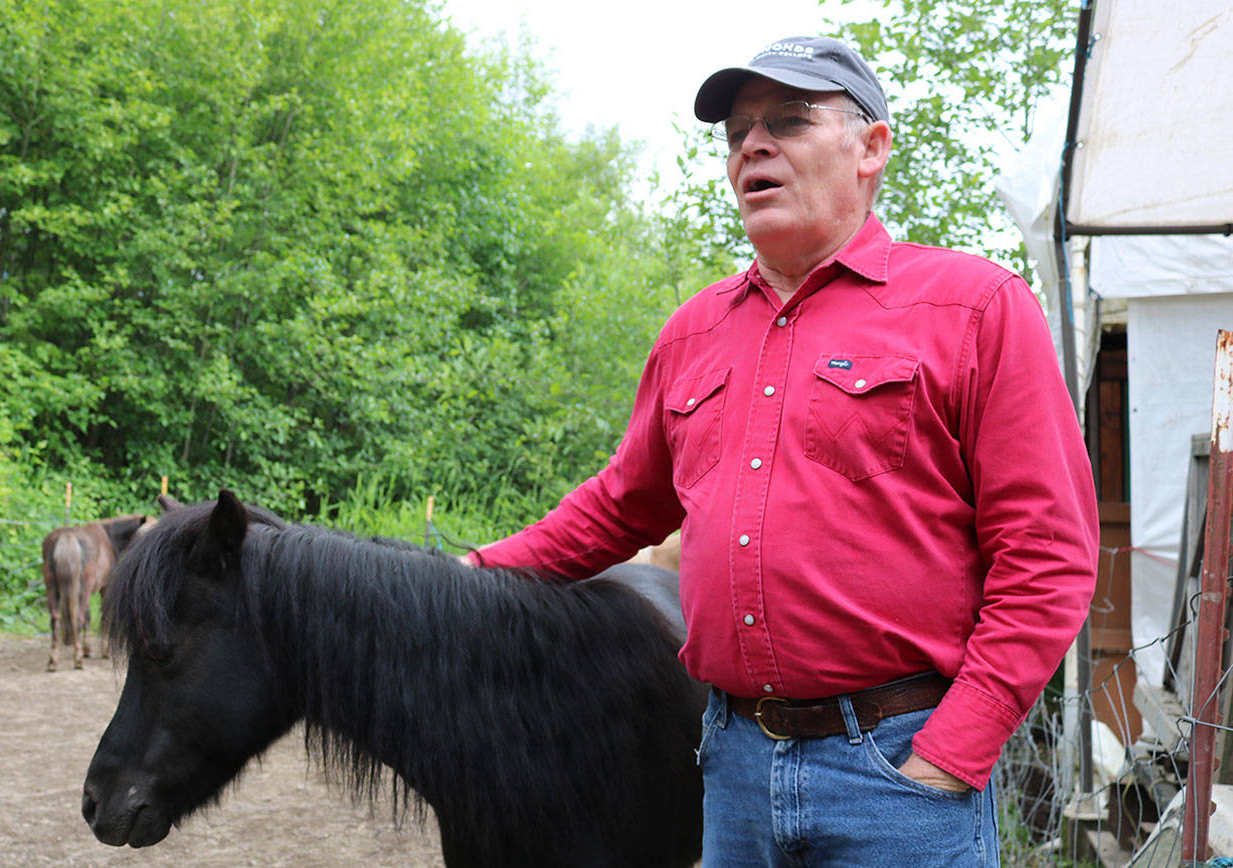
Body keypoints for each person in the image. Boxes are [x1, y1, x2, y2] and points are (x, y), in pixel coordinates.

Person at [465, 35, 1098, 866]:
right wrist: (474, 574)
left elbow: (1049, 555)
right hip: (732, 764)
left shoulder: (975, 308)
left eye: (788, 121)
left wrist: (952, 751)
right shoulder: (694, 331)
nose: (752, 146)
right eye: (737, 134)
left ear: (871, 146)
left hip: (899, 771)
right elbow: (622, 503)